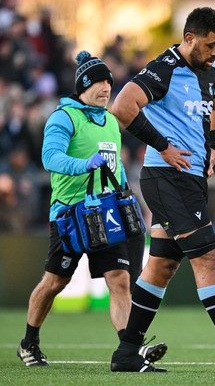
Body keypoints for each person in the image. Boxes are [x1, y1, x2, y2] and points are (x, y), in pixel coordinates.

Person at [110, 7, 215, 373]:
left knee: (162, 266)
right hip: (166, 178)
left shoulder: (210, 75)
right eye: (211, 44)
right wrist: (164, 146)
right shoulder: (164, 68)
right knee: (208, 258)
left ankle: (126, 353)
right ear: (189, 39)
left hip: (190, 181)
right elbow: (122, 106)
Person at [17, 50, 167, 367]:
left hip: (106, 214)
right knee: (55, 282)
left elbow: (117, 168)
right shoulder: (63, 117)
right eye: (98, 82)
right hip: (70, 214)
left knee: (120, 278)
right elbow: (50, 158)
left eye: (108, 82)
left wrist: (130, 196)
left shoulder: (111, 121)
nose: (105, 88)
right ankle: (29, 342)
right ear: (82, 86)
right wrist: (84, 165)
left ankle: (129, 350)